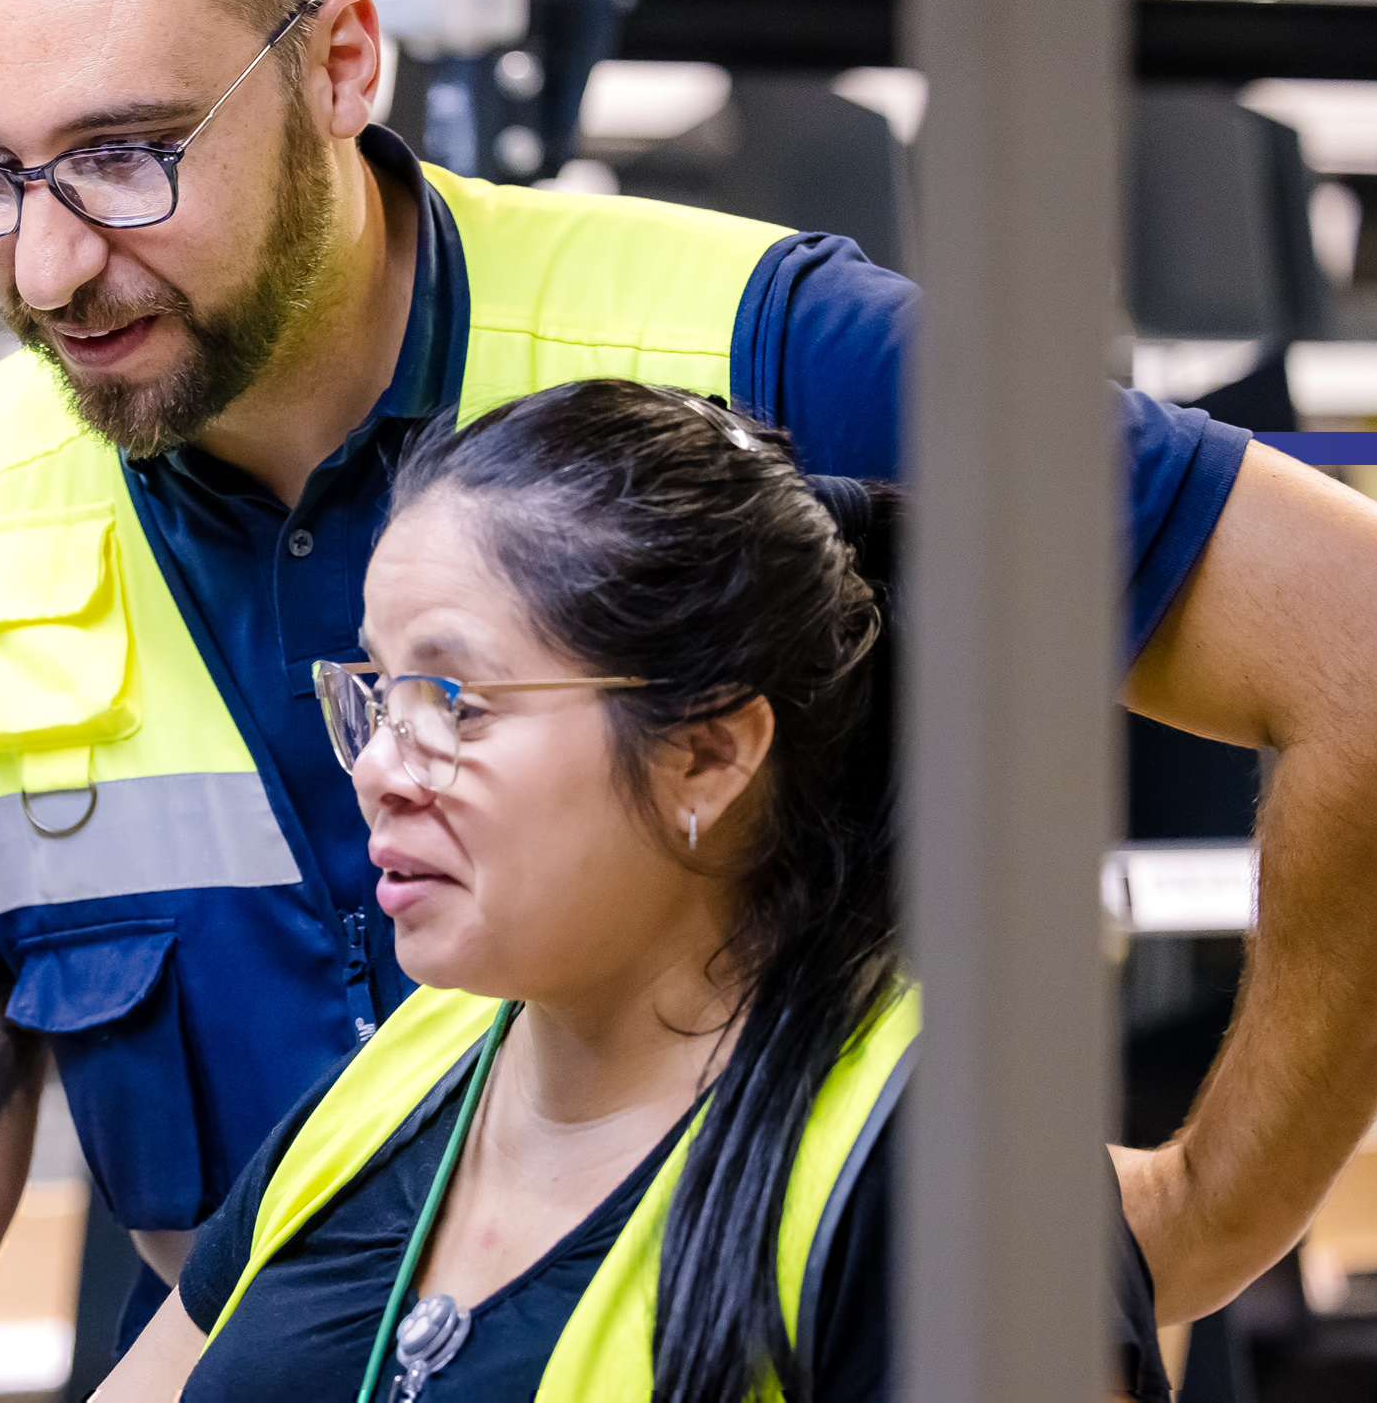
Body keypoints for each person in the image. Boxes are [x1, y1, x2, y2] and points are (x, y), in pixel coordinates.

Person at [0, 0, 1377, 1398]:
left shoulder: (769, 363)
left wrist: (1197, 1217)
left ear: (344, 61)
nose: (41, 269)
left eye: (119, 156)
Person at [80, 379, 1162, 1402]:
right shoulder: (416, 1067)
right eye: (377, 689)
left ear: (707, 754)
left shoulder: (950, 1177)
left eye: (457, 702)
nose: (377, 768)